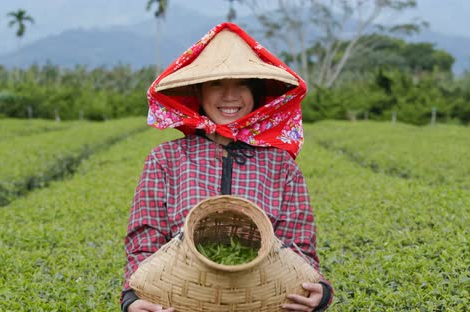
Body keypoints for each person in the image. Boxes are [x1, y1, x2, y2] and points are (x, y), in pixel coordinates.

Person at [120, 22, 333, 312]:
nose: (229, 96)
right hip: (180, 299)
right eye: (217, 83)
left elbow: (300, 247)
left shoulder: (279, 164)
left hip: (262, 302)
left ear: (256, 92)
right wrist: (133, 299)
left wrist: (319, 291)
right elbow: (144, 238)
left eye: (241, 84)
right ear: (199, 91)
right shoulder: (166, 159)